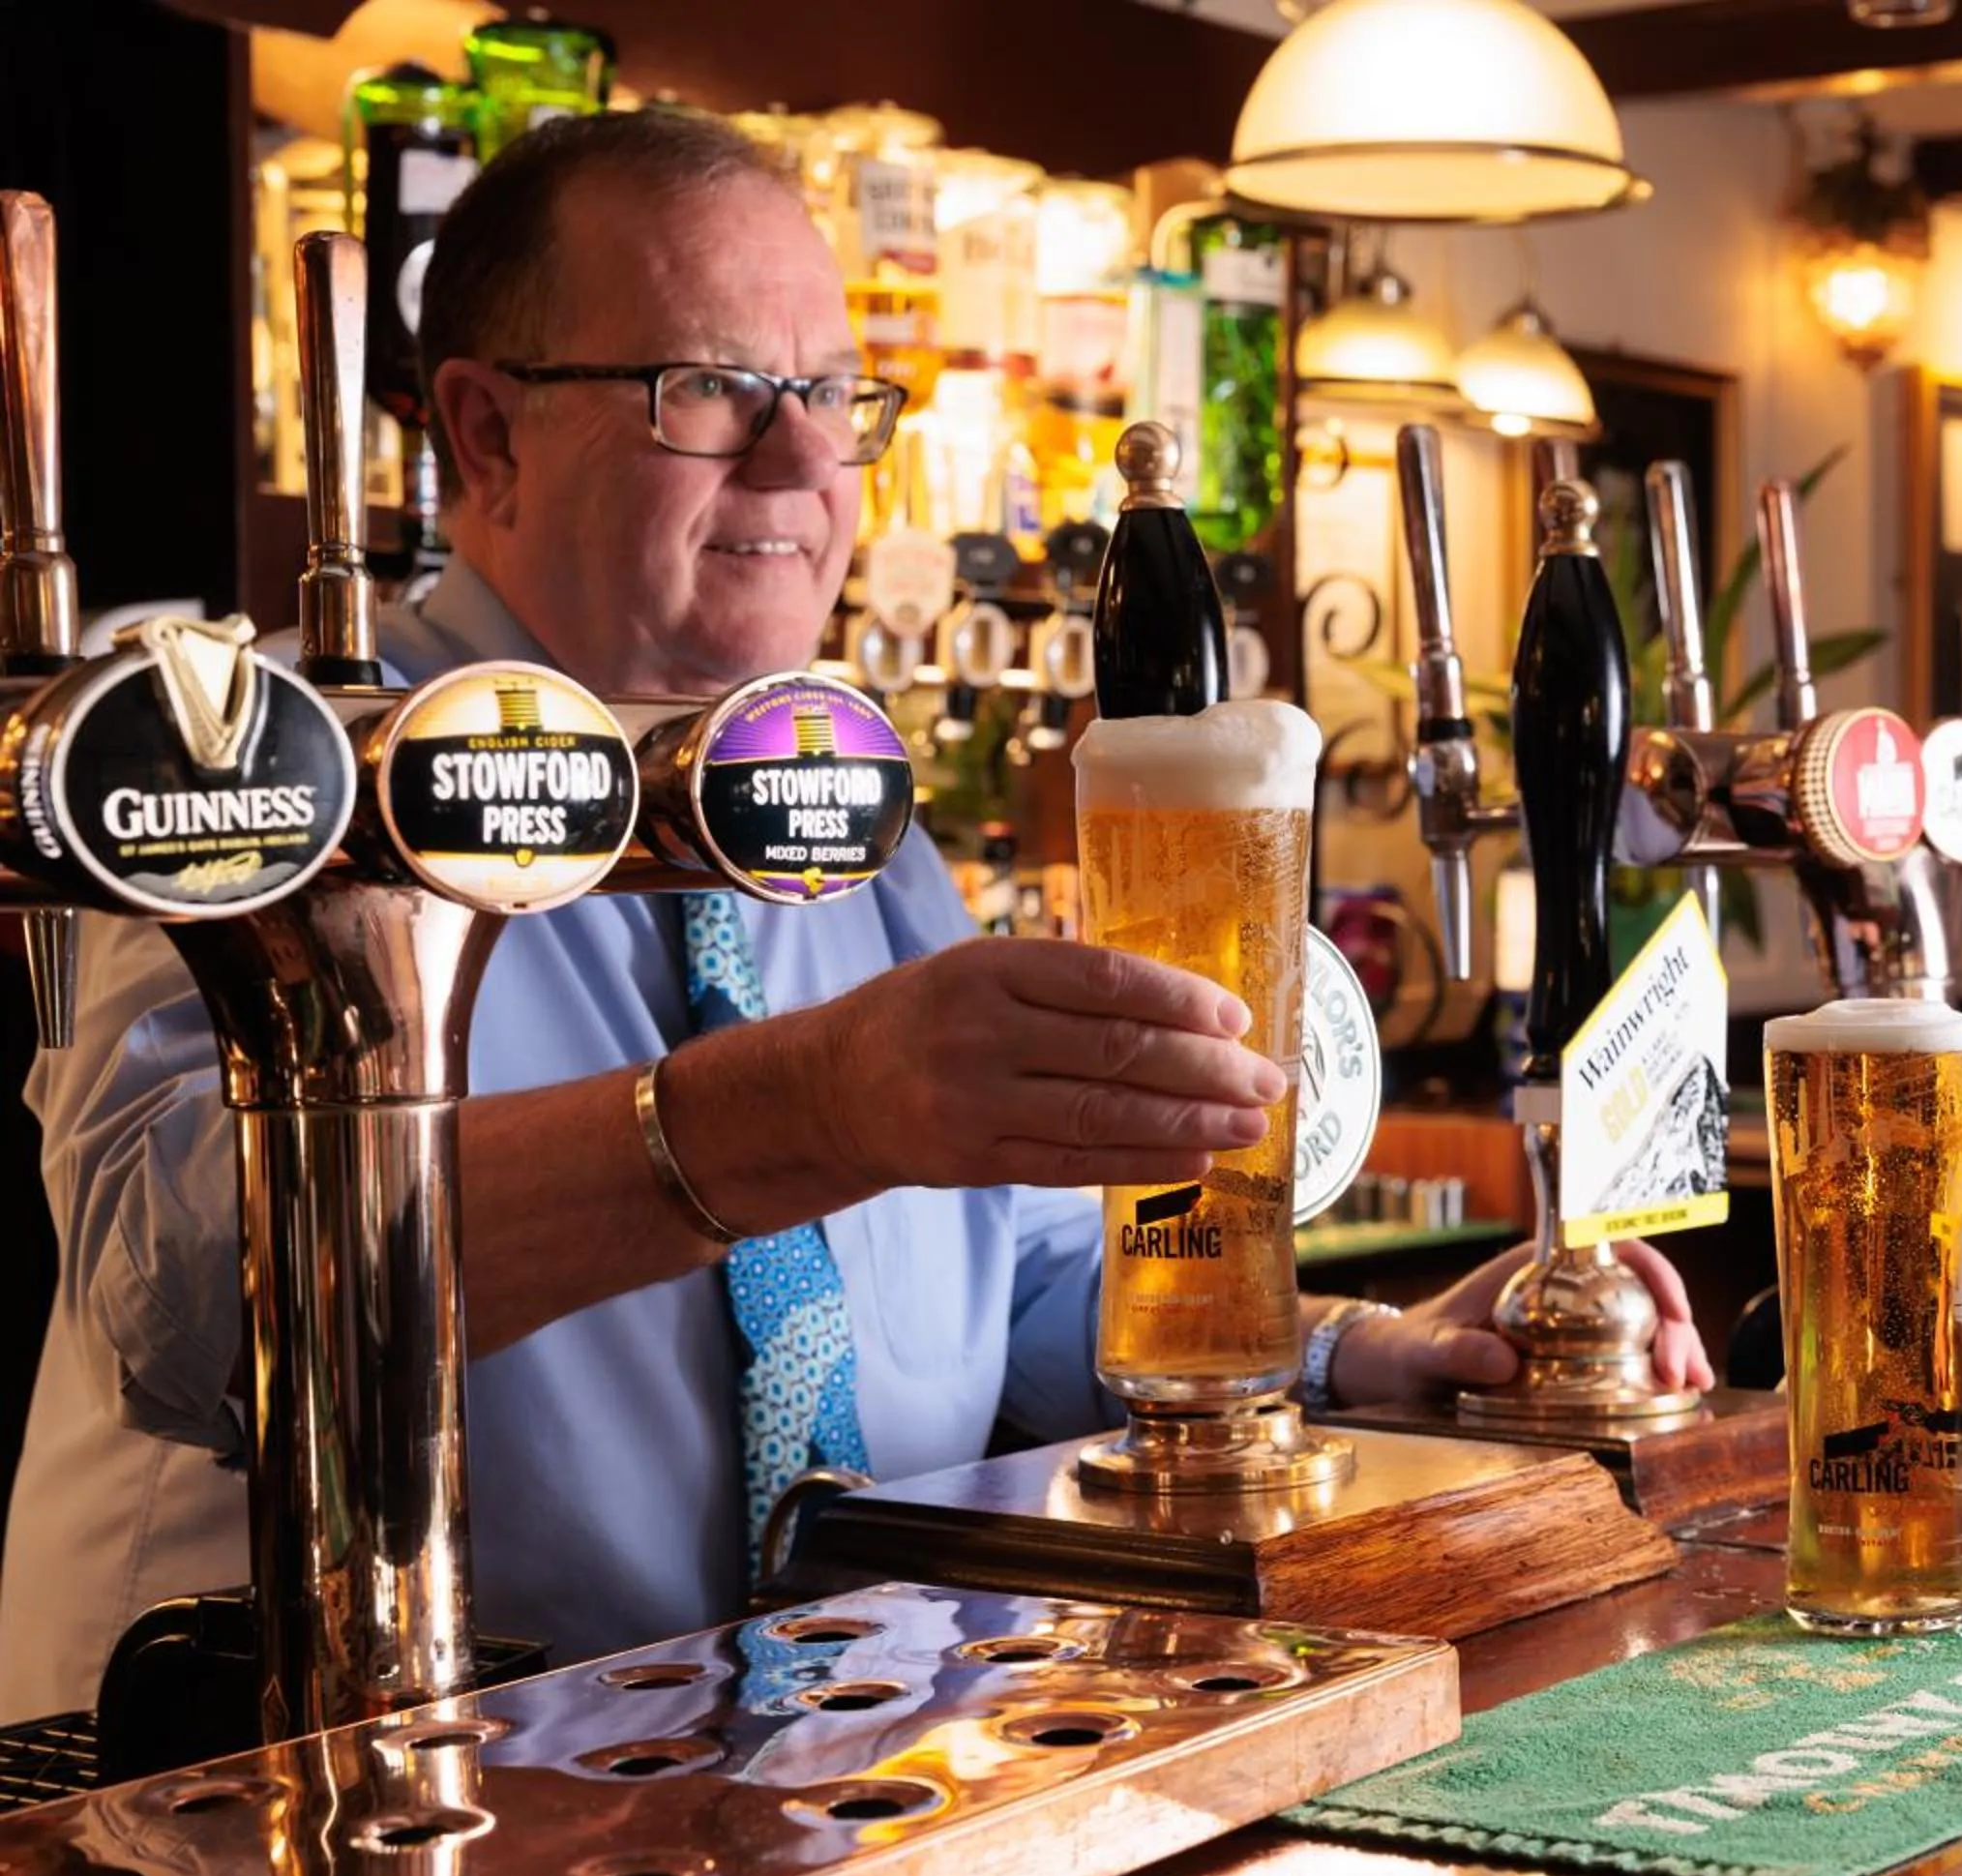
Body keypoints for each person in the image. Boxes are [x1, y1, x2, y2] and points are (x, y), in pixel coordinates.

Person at [0, 111, 1711, 1718]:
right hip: (269, 1773)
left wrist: (1358, 1354)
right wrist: (804, 1113)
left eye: (832, 389)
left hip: (807, 1785)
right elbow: (185, 1289)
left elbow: (1024, 1298)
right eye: (715, 387)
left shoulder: (844, 814)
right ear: (485, 429)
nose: (810, 456)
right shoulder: (271, 765)